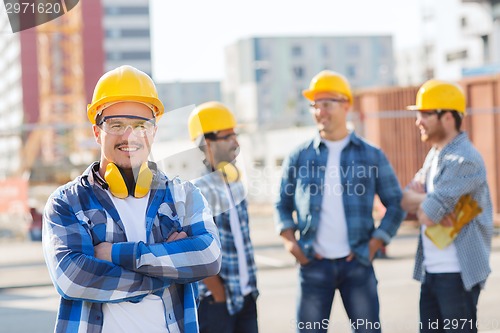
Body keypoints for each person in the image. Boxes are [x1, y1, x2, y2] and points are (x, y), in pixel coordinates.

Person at [42, 65, 221, 333]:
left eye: (140, 125)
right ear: (96, 132)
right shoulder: (67, 202)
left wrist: (115, 254)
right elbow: (74, 278)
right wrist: (167, 274)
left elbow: (208, 256)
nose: (129, 136)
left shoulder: (183, 196)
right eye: (116, 125)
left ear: (154, 132)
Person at [275, 70, 406, 333]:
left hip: (357, 263)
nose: (319, 111)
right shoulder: (299, 156)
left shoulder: (371, 155)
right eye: (314, 105)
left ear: (346, 105)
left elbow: (396, 203)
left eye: (326, 104)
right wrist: (292, 244)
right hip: (313, 264)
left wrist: (375, 243)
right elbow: (282, 203)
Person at [401, 79, 493, 333]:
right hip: (432, 272)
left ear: (448, 117)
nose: (418, 120)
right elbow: (406, 200)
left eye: (425, 114)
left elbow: (428, 216)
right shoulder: (436, 154)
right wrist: (431, 199)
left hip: (457, 275)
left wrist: (428, 202)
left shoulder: (464, 159)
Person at [187, 101, 259, 333]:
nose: (236, 143)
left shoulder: (235, 184)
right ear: (208, 143)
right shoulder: (195, 190)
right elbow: (194, 248)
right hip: (215, 302)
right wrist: (217, 292)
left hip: (246, 295)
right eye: (228, 136)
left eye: (235, 135)